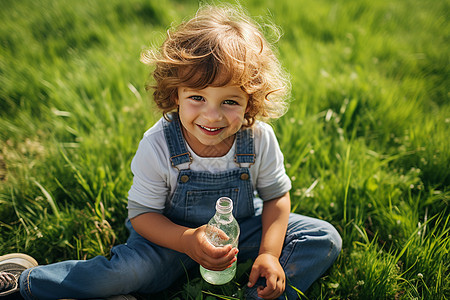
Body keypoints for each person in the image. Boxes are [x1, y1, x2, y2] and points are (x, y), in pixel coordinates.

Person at [0, 4, 341, 300]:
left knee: (322, 238)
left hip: (237, 235)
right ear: (174, 93)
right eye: (197, 97)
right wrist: (188, 242)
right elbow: (142, 216)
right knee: (124, 273)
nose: (212, 115)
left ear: (250, 101)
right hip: (166, 239)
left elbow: (276, 198)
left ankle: (260, 290)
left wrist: (269, 253)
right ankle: (26, 282)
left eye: (230, 101)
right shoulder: (159, 144)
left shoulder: (258, 139)